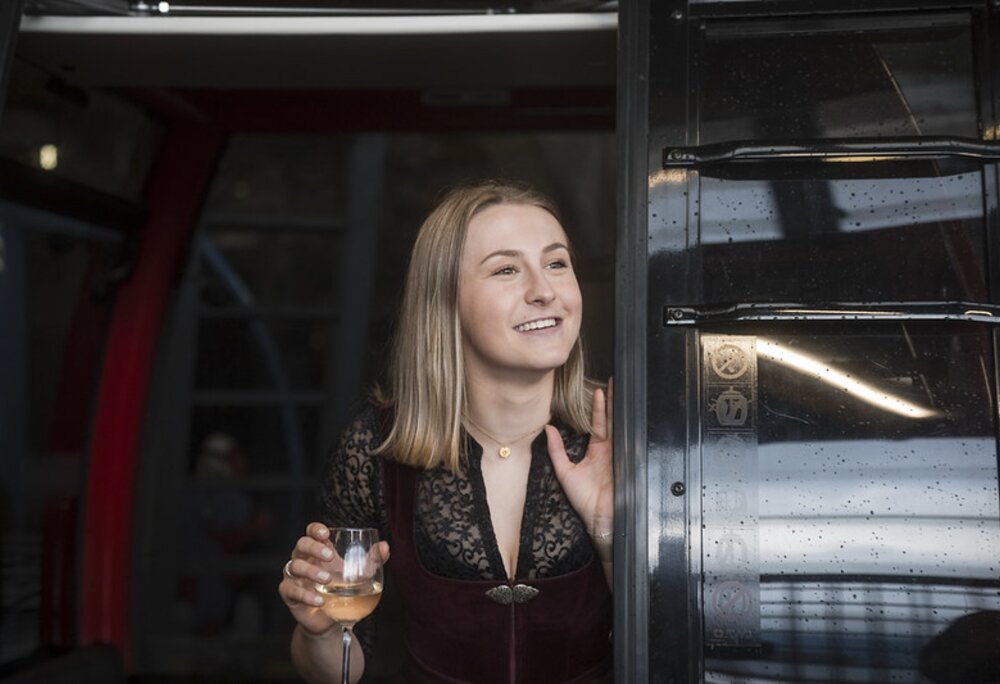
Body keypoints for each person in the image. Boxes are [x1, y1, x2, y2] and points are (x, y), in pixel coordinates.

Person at [278, 180, 614, 683]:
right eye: (505, 269)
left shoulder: (633, 436)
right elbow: (339, 674)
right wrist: (320, 633)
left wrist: (608, 531)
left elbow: (683, 643)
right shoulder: (372, 449)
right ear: (444, 302)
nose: (544, 290)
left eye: (556, 263)